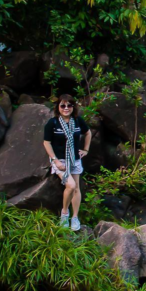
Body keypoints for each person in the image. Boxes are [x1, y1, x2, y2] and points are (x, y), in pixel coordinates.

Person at [43, 94, 91, 231]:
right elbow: (46, 142)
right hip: (60, 160)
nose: (66, 108)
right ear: (58, 107)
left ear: (73, 107)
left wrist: (86, 150)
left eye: (69, 105)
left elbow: (88, 133)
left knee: (76, 188)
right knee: (70, 185)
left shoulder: (77, 121)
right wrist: (55, 160)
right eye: (63, 105)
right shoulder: (52, 123)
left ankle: (75, 217)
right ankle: (65, 213)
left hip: (75, 159)